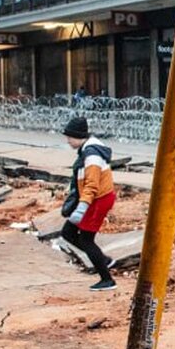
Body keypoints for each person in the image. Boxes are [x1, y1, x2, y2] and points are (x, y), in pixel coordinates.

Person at [60, 117, 117, 291]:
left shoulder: (92, 155)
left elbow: (92, 184)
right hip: (93, 199)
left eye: (70, 137)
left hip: (98, 200)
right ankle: (103, 259)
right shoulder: (87, 150)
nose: (68, 141)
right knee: (68, 232)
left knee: (86, 239)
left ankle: (107, 280)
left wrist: (81, 208)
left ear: (78, 136)